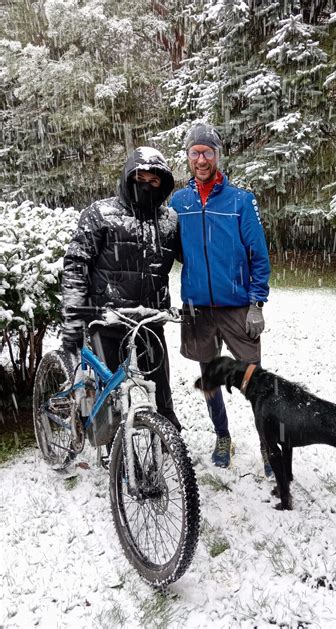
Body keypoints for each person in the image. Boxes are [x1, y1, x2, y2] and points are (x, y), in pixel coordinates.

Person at [169, 122, 271, 474]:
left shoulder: (240, 200)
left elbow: (258, 254)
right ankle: (223, 435)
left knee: (254, 381)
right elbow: (176, 251)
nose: (201, 159)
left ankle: (268, 445)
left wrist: (257, 303)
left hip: (238, 309)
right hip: (198, 311)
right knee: (210, 379)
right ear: (188, 157)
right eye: (195, 152)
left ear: (217, 156)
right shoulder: (177, 202)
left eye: (207, 152)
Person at [61, 146, 181, 444]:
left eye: (155, 180)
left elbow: (195, 260)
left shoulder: (169, 222)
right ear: (128, 176)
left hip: (149, 319)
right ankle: (112, 447)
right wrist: (74, 319)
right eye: (141, 176)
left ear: (163, 184)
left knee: (161, 393)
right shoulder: (100, 214)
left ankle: (168, 444)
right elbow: (76, 265)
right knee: (113, 400)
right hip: (107, 319)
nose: (147, 184)